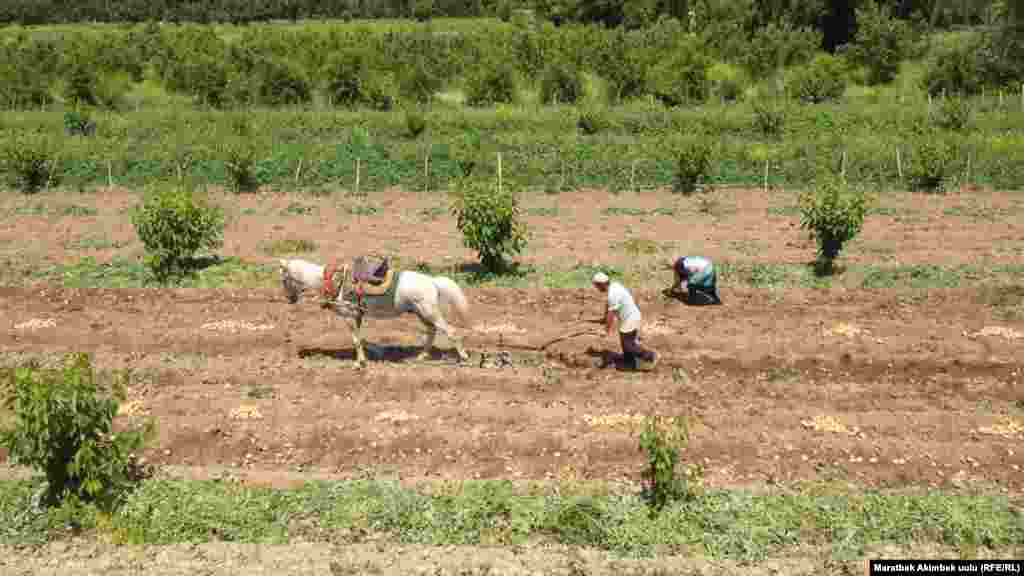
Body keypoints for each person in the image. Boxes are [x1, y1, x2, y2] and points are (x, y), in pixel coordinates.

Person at [592, 272, 658, 371]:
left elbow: (611, 314)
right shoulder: (614, 286)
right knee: (626, 343)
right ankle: (629, 360)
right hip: (631, 316)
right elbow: (609, 304)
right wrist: (604, 318)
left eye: (597, 286)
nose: (597, 288)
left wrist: (605, 331)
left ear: (601, 284)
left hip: (630, 320)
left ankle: (650, 356)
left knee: (628, 345)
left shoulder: (613, 294)